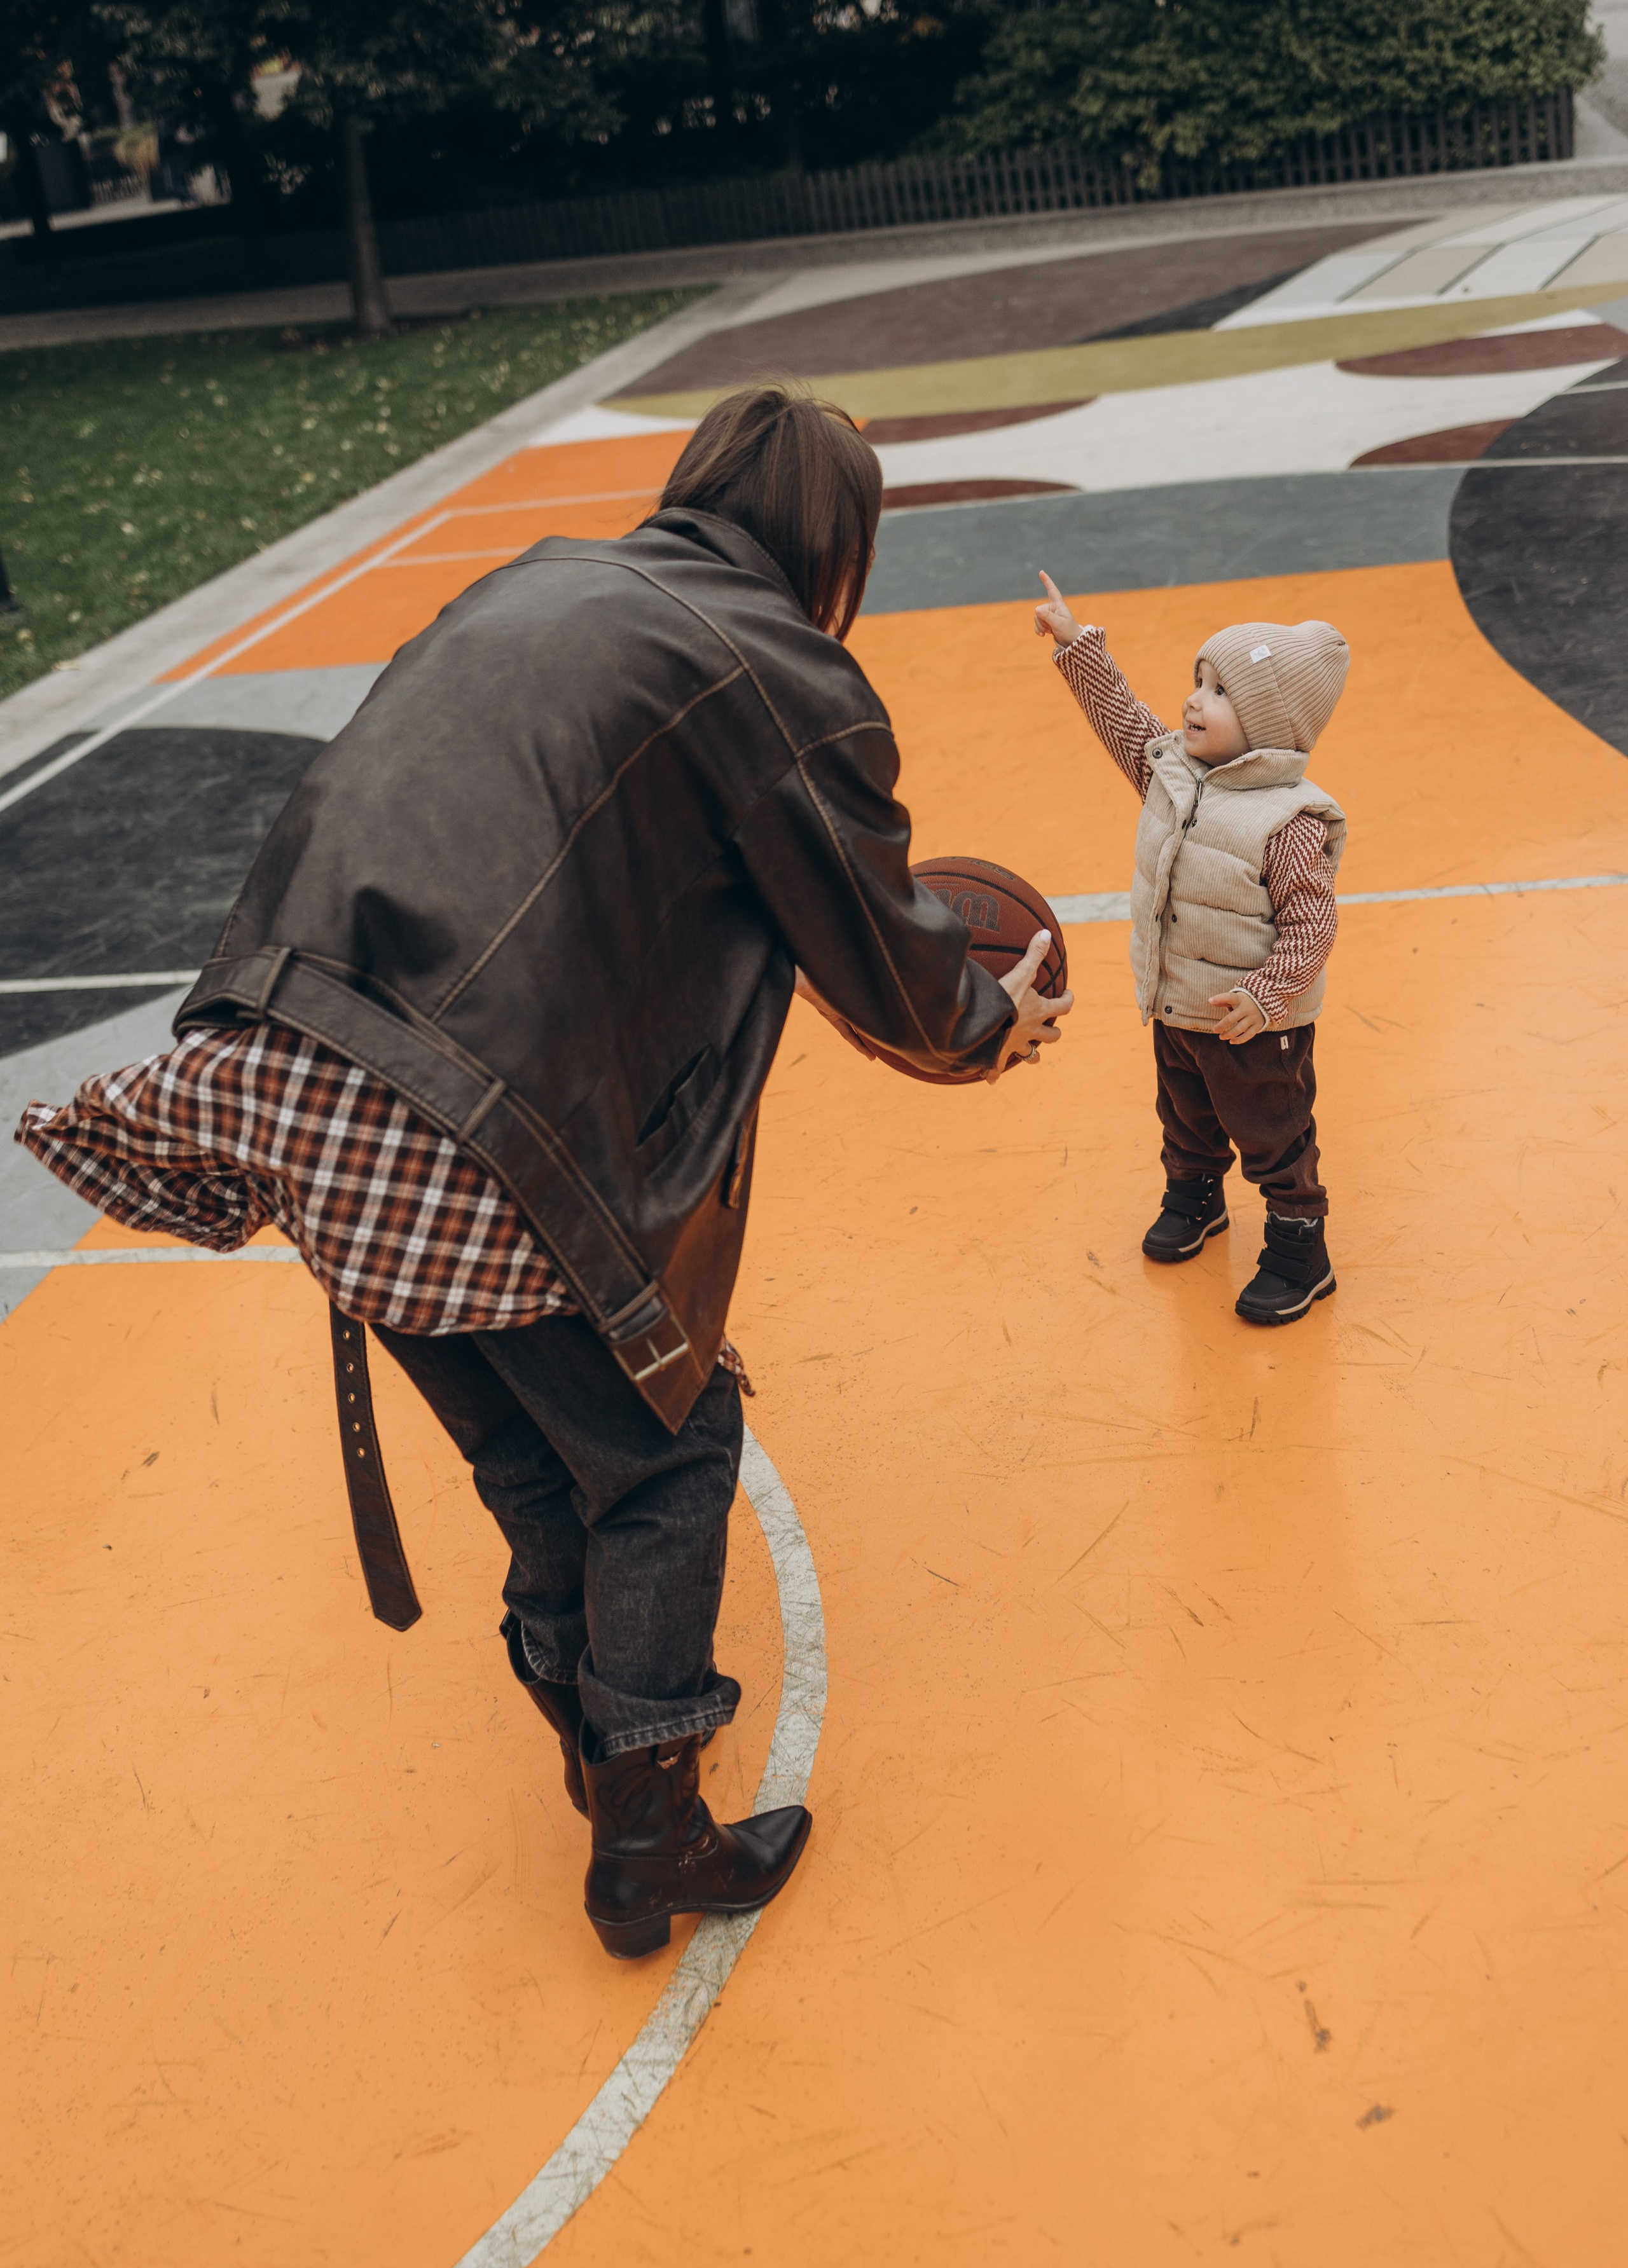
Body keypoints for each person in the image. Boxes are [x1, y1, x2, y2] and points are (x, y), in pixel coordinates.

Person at [16, 386, 1072, 1962]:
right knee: (663, 1450)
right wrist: (991, 1019)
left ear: (696, 479)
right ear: (833, 535)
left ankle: (602, 1772)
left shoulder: (533, 580)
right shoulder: (776, 666)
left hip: (299, 1076)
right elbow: (879, 946)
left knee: (536, 1470)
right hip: (462, 1112)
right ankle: (646, 1838)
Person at [1032, 572, 1348, 1326]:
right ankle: (1196, 1198)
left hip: (1253, 1026)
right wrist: (1078, 645)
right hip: (1176, 1001)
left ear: (1271, 720)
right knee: (1185, 1116)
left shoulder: (1290, 820)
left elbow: (1312, 927)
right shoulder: (1172, 774)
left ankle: (1301, 1248)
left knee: (1272, 1137)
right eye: (1197, 681)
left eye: (1219, 691)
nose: (1193, 700)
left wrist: (1266, 997)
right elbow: (1124, 723)